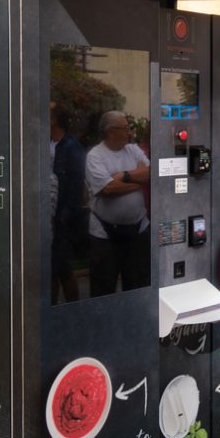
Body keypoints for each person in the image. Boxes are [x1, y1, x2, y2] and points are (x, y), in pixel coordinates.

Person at [85, 110, 150, 296]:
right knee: (103, 291)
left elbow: (152, 173)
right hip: (104, 235)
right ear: (110, 131)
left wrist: (124, 176)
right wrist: (138, 182)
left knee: (138, 288)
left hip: (138, 231)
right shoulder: (95, 156)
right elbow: (108, 189)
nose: (129, 132)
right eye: (125, 128)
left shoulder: (133, 149)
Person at [50, 103, 84, 304]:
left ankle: (73, 308)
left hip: (62, 217)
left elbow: (76, 183)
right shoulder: (44, 143)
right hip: (48, 213)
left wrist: (65, 215)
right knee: (50, 266)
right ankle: (51, 306)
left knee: (62, 265)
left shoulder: (71, 147)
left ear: (54, 119)